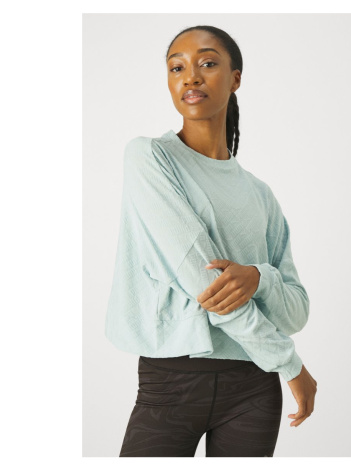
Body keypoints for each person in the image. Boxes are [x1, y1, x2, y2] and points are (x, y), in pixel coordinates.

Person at [105, 24, 318, 457]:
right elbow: (206, 285)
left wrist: (259, 278)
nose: (191, 76)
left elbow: (296, 310)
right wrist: (288, 362)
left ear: (235, 78)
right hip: (172, 382)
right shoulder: (150, 158)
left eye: (207, 63)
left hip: (254, 389)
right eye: (177, 67)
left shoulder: (260, 194)